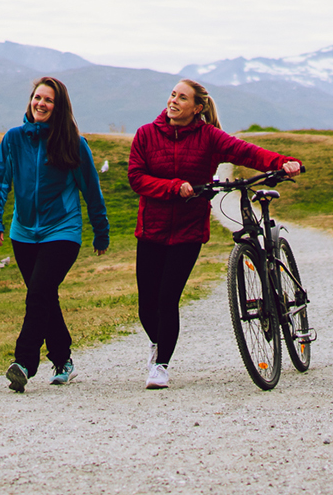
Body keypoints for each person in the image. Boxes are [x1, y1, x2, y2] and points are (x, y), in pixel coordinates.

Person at [126, 78, 302, 389]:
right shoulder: (146, 134)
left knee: (168, 299)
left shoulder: (209, 137)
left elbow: (246, 152)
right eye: (172, 94)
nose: (174, 101)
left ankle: (161, 364)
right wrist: (173, 187)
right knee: (146, 304)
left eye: (182, 98)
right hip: (151, 229)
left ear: (197, 107)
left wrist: (282, 163)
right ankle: (158, 343)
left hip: (188, 231)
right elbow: (137, 177)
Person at [0, 76, 110, 392]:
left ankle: (24, 363)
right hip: (23, 233)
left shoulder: (73, 144)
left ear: (58, 107)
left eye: (48, 100)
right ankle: (63, 359)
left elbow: (91, 189)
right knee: (44, 296)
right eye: (37, 98)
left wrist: (101, 230)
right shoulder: (14, 139)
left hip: (62, 231)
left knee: (38, 293)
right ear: (30, 101)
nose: (40, 104)